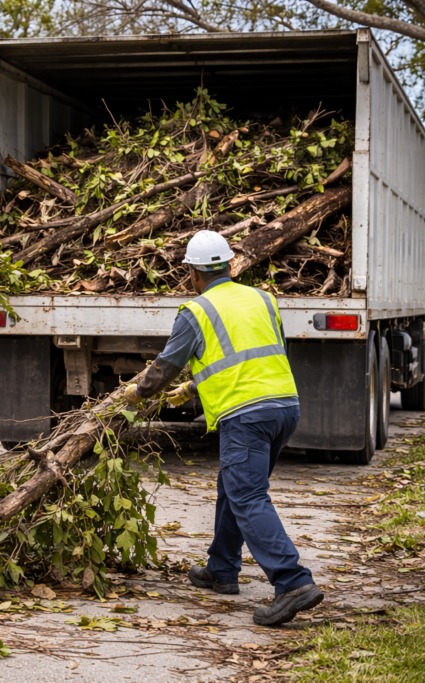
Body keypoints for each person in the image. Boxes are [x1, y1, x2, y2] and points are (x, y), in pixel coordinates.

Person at [124, 230, 323, 627]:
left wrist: (137, 394)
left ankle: (292, 582)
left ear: (193, 274)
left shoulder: (195, 311)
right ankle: (222, 569)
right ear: (230, 266)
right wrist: (194, 387)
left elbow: (166, 364)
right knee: (234, 489)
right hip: (284, 407)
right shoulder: (263, 299)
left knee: (247, 495)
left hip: (245, 416)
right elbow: (256, 356)